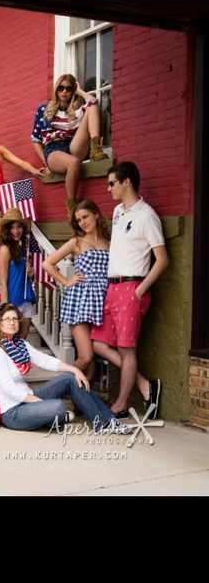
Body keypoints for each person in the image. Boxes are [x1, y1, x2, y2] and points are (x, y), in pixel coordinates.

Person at [91, 162, 169, 420]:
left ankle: (121, 405)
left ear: (127, 182)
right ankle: (146, 385)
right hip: (112, 288)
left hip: (133, 287)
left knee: (127, 351)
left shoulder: (147, 216)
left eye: (112, 183)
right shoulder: (117, 211)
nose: (108, 188)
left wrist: (140, 289)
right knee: (99, 344)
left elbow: (162, 259)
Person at [0, 303, 129, 433]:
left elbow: (44, 360)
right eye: (7, 319)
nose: (12, 322)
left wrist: (75, 370)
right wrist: (41, 403)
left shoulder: (20, 344)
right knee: (58, 407)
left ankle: (106, 422)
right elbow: (10, 389)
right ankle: (51, 416)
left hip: (28, 398)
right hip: (13, 412)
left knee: (70, 378)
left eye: (15, 319)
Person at [43, 199, 110, 379]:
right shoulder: (77, 242)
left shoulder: (109, 243)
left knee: (93, 358)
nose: (83, 222)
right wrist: (66, 281)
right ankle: (60, 384)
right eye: (79, 220)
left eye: (85, 217)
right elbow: (47, 264)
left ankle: (82, 399)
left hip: (102, 300)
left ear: (96, 214)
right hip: (80, 300)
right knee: (86, 356)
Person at [30, 74, 108, 217]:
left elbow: (92, 102)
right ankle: (72, 204)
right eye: (61, 88)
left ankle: (96, 148)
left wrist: (79, 91)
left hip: (72, 145)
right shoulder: (44, 110)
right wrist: (46, 163)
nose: (64, 91)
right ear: (56, 89)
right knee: (74, 163)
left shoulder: (76, 109)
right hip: (54, 149)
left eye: (69, 89)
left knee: (91, 107)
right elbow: (35, 140)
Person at [0, 208, 36, 338]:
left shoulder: (22, 249)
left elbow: (21, 277)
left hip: (26, 300)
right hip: (13, 302)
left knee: (22, 342)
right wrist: (5, 309)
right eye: (12, 227)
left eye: (19, 226)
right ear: (7, 230)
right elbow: (2, 282)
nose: (16, 231)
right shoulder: (4, 250)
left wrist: (30, 274)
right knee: (10, 341)